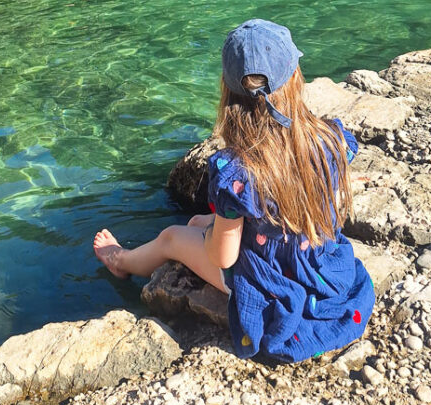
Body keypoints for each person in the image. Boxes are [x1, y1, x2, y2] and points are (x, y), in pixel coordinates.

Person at [94, 19, 375, 363]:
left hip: (271, 283)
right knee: (200, 220)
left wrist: (213, 231)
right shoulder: (331, 139)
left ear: (228, 95)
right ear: (295, 78)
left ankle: (119, 260)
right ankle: (194, 231)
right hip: (323, 269)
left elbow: (223, 259)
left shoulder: (237, 171)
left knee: (172, 237)